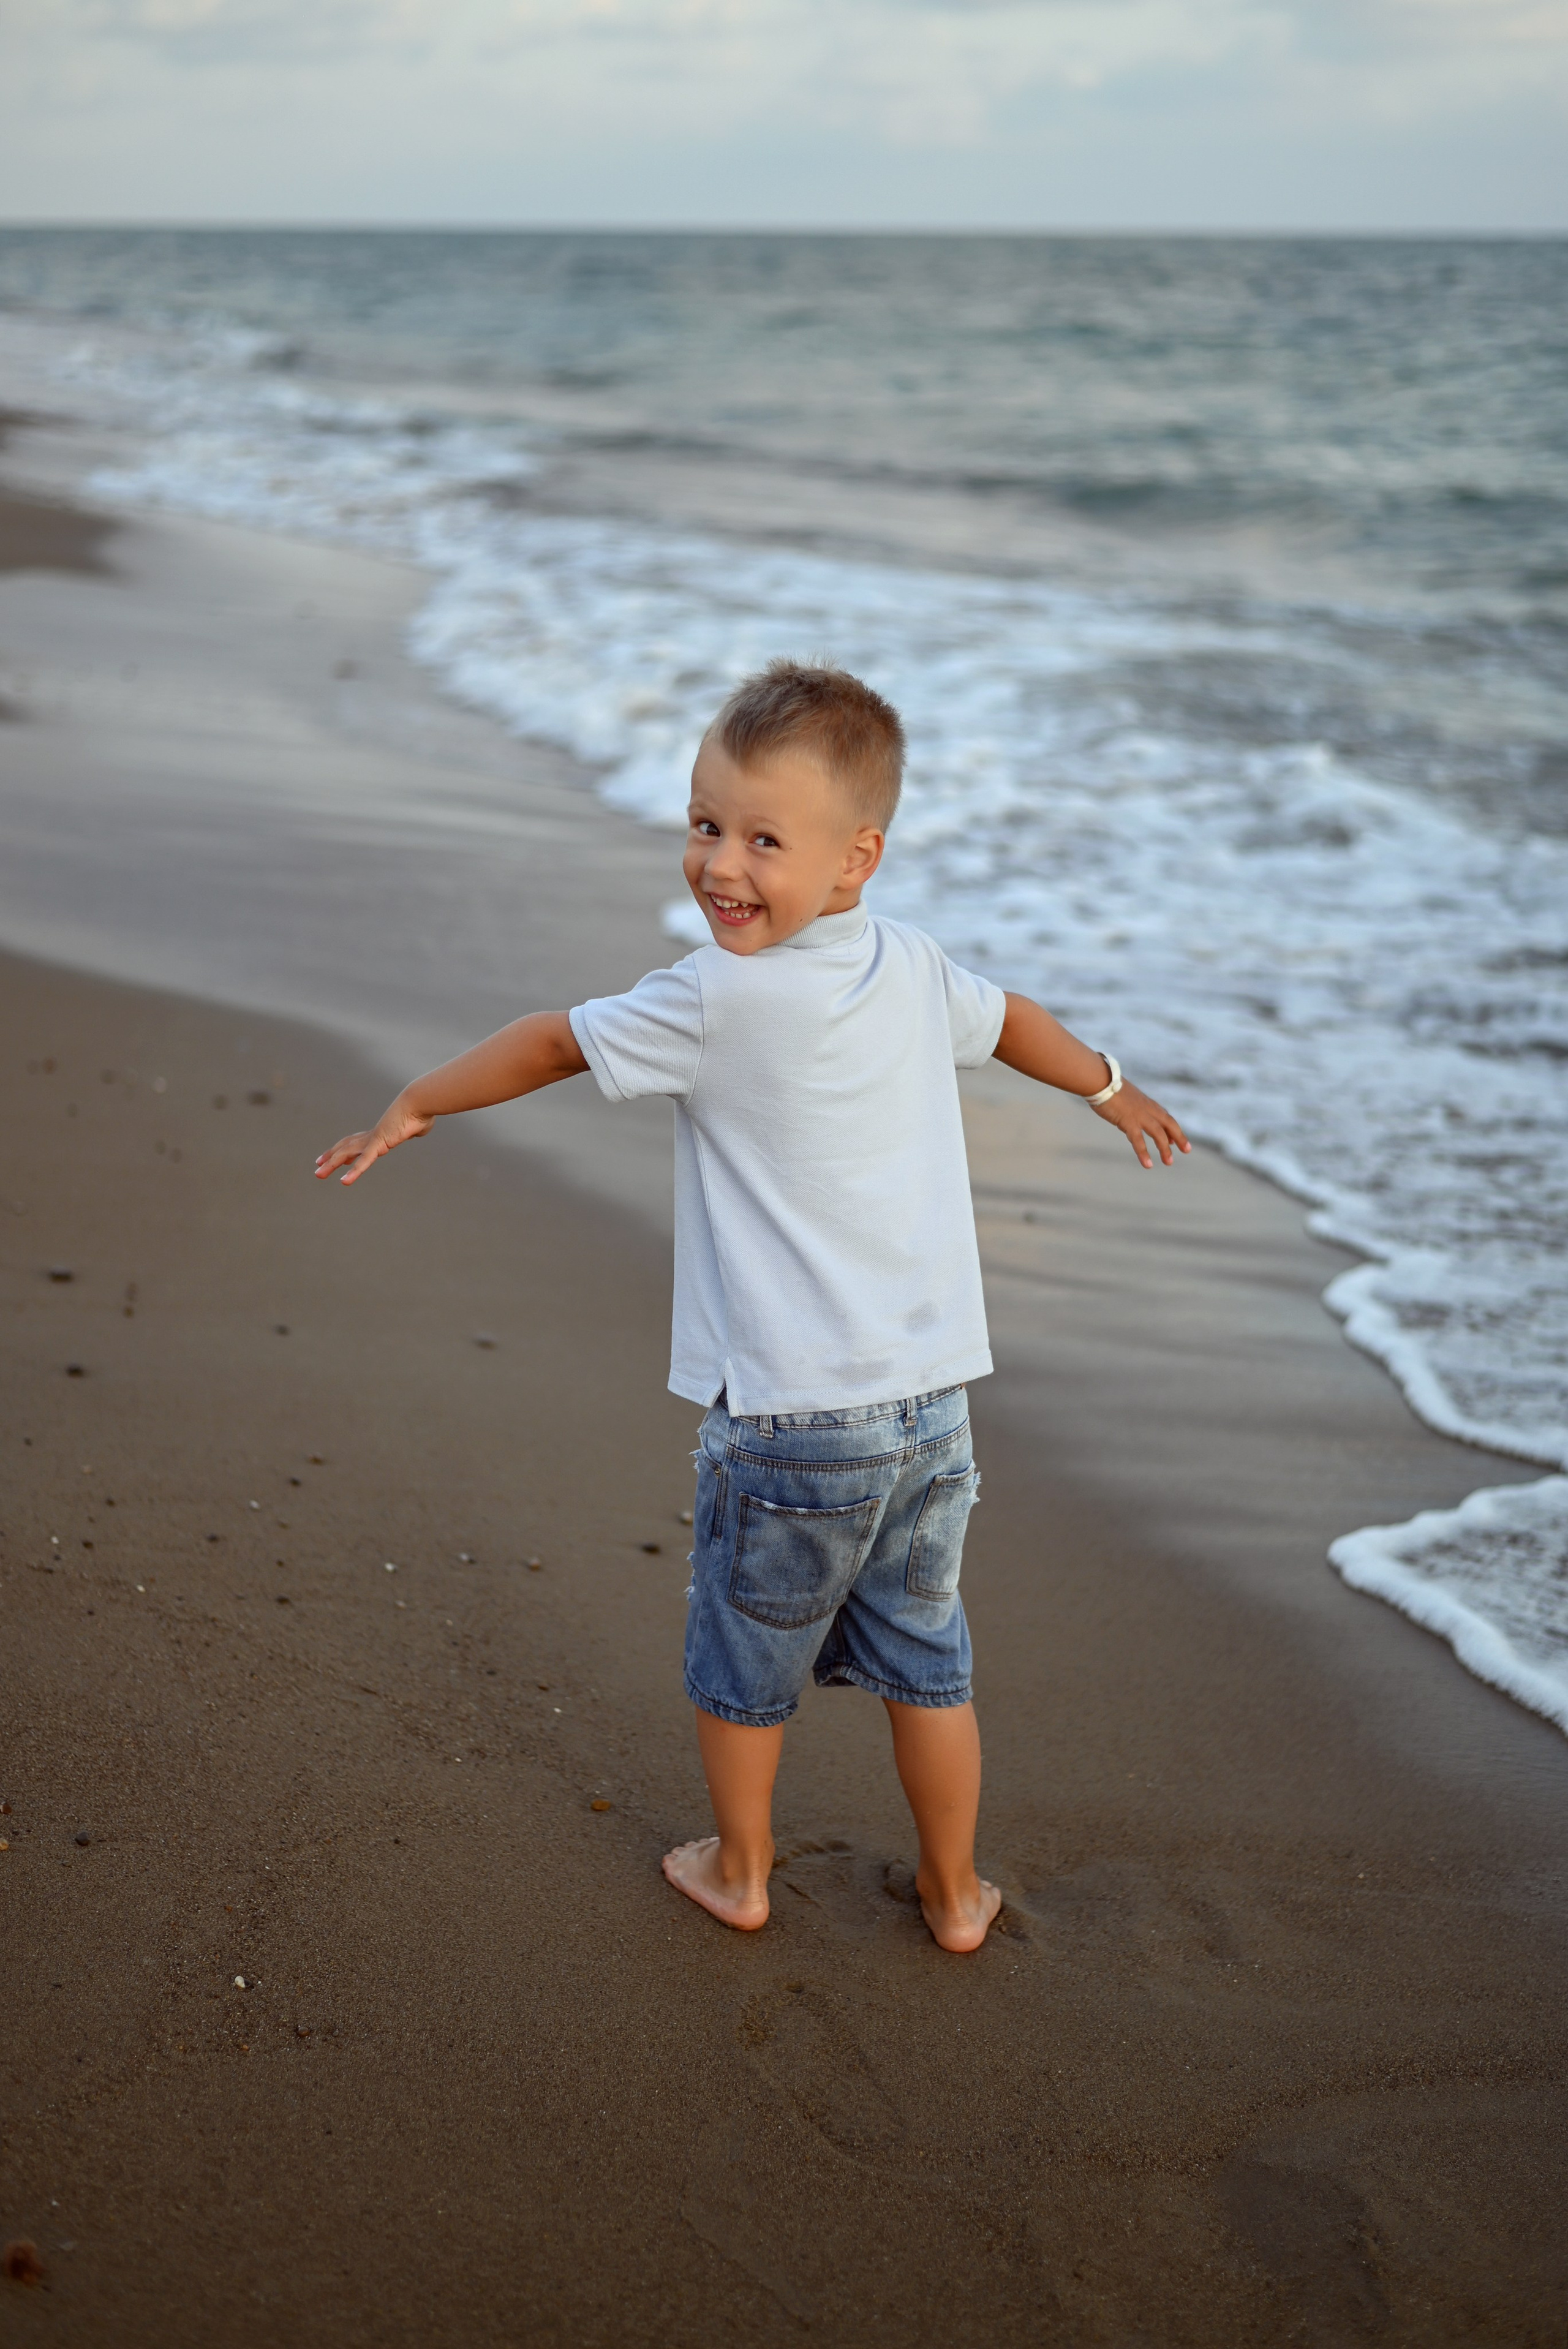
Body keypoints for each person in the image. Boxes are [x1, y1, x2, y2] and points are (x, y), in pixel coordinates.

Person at [315, 660, 1189, 1953]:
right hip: (928, 1413)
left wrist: (422, 1100)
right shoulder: (908, 964)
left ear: (855, 858)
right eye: (703, 824)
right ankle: (953, 1896)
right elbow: (1011, 1024)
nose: (721, 864)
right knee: (926, 1661)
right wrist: (1108, 1086)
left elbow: (556, 1039)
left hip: (788, 1420)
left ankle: (739, 1869)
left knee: (744, 1661)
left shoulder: (709, 997)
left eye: (763, 840)